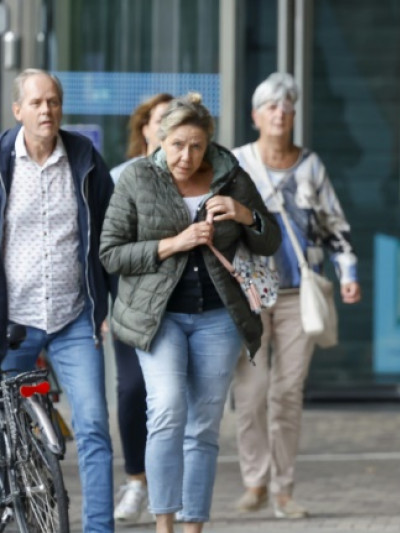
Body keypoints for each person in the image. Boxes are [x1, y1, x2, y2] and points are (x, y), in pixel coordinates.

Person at [99, 92, 281, 533]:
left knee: (203, 425)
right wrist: (172, 244)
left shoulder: (231, 175)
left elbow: (269, 240)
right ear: (160, 140)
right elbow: (111, 253)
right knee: (166, 410)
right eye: (178, 144)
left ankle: (193, 526)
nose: (186, 156)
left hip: (218, 317)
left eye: (196, 146)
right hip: (158, 317)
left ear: (208, 144)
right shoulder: (138, 177)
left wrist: (244, 214)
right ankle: (164, 524)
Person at [229, 72, 361, 519]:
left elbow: (335, 225)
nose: (280, 113)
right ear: (255, 116)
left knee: (287, 392)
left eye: (287, 107)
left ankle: (282, 489)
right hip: (251, 291)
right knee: (251, 391)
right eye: (271, 106)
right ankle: (255, 480)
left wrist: (348, 272)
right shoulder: (238, 163)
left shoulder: (310, 165)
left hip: (298, 294)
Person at [0, 68, 115, 532]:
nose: (46, 110)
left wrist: (106, 305)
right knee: (6, 433)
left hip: (74, 319)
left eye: (53, 101)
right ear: (18, 110)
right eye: (36, 102)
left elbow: (110, 234)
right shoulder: (2, 161)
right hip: (14, 322)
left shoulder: (84, 157)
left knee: (93, 426)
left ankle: (99, 528)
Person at [109, 91, 173, 524]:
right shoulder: (119, 177)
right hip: (130, 306)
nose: (167, 127)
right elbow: (106, 249)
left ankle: (166, 489)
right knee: (133, 390)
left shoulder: (193, 178)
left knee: (170, 399)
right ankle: (136, 480)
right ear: (145, 129)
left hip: (179, 307)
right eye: (160, 119)